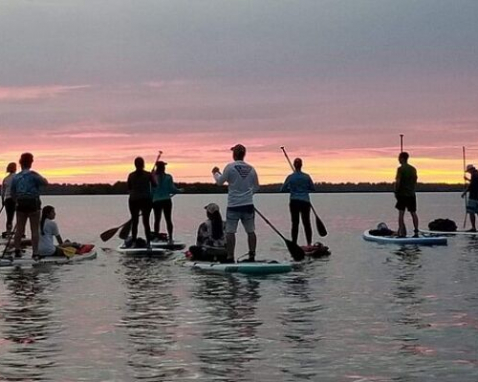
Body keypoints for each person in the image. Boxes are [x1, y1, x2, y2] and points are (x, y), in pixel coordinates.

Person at [212, 144, 260, 262]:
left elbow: (219, 182)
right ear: (244, 154)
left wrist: (215, 173)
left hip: (233, 205)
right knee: (250, 231)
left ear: (234, 154)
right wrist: (248, 195)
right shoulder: (251, 168)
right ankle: (252, 256)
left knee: (230, 231)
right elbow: (257, 187)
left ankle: (230, 257)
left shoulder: (230, 167)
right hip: (248, 205)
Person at [11, 153, 48, 258]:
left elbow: (13, 192)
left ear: (20, 163)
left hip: (21, 203)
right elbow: (45, 183)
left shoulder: (16, 177)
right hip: (33, 202)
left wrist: (16, 202)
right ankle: (35, 253)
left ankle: (17, 250)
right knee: (34, 229)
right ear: (31, 162)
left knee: (19, 228)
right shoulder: (33, 175)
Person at [281, 158, 315, 246]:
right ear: (301, 165)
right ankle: (309, 243)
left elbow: (282, 189)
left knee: (295, 223)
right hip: (305, 202)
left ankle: (294, 243)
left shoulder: (290, 177)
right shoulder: (306, 177)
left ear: (294, 165)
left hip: (294, 202)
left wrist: (292, 189)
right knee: (307, 223)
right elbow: (312, 188)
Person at [127, 157, 156, 247]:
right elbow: (155, 185)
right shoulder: (148, 174)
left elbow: (129, 188)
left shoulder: (131, 175)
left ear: (135, 164)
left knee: (135, 221)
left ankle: (134, 241)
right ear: (143, 164)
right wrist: (153, 176)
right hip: (146, 200)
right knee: (146, 222)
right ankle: (148, 242)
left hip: (134, 200)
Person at [151, 161, 182, 243]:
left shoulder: (153, 177)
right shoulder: (168, 177)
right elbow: (172, 189)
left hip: (156, 201)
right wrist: (180, 190)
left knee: (157, 219)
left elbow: (151, 191)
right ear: (163, 168)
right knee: (168, 219)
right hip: (166, 200)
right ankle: (171, 238)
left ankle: (156, 237)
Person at [394, 152, 419, 237]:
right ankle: (416, 230)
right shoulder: (413, 169)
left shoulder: (400, 169)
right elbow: (415, 181)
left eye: (399, 158)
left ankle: (400, 231)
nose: (398, 160)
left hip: (402, 194)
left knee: (401, 213)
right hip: (411, 194)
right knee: (413, 213)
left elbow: (398, 181)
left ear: (402, 158)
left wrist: (396, 191)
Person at [2, 162, 17, 235]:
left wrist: (2, 201)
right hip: (16, 199)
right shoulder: (17, 177)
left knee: (9, 216)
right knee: (19, 215)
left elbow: (3, 191)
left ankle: (8, 231)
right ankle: (20, 231)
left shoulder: (5, 179)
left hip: (7, 199)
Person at [462, 164, 478, 232]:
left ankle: (473, 228)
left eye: (469, 171)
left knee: (471, 212)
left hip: (473, 197)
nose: (469, 172)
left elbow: (472, 185)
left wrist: (465, 192)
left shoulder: (474, 175)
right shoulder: (476, 174)